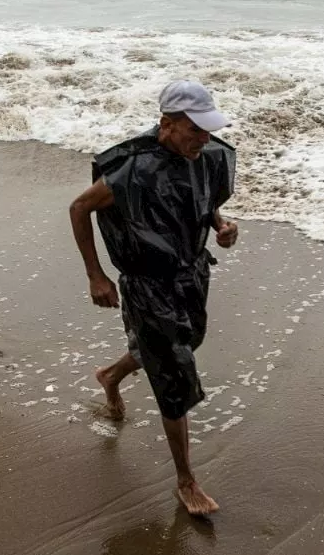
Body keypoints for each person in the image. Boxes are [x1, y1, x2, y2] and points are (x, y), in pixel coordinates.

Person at [68, 80, 238, 516]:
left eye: (207, 129)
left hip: (191, 273)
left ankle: (110, 375)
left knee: (183, 342)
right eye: (195, 130)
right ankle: (186, 481)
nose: (204, 138)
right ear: (166, 124)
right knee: (175, 376)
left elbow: (204, 200)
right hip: (147, 283)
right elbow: (79, 207)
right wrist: (96, 275)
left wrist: (220, 227)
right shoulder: (130, 168)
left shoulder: (206, 154)